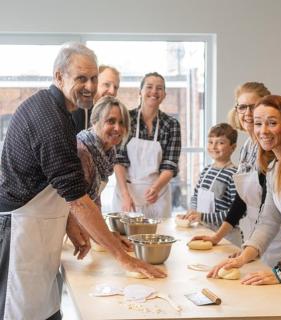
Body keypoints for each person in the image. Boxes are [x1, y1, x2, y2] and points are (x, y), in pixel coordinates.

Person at [0, 43, 165, 320]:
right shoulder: (49, 119)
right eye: (81, 78)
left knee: (46, 311)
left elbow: (59, 187)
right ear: (59, 77)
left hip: (39, 231)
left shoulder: (62, 113)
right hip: (19, 231)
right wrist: (122, 256)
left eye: (93, 78)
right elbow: (77, 198)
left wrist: (71, 226)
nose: (89, 86)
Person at [188, 82, 281, 266]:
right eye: (242, 107)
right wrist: (217, 237)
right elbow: (241, 200)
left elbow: (270, 212)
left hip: (277, 239)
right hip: (253, 235)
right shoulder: (248, 148)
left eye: (254, 106)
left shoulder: (271, 150)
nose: (247, 113)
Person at [208, 94, 281, 285]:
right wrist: (242, 257)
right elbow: (268, 220)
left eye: (272, 123)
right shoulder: (274, 167)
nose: (263, 131)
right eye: (258, 124)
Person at [113, 72, 181, 218]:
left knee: (157, 237)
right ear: (140, 92)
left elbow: (170, 165)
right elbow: (118, 160)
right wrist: (125, 195)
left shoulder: (171, 124)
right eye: (149, 87)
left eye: (159, 88)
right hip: (127, 192)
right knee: (124, 238)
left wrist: (155, 188)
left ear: (164, 95)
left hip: (158, 195)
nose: (154, 92)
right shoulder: (126, 119)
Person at [76, 95, 131, 250]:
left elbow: (95, 198)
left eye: (122, 123)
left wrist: (107, 234)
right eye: (110, 121)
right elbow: (79, 205)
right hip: (67, 226)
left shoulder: (108, 153)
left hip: (84, 226)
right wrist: (107, 240)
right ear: (95, 122)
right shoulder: (83, 151)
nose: (118, 128)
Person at [177, 123, 242, 246]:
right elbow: (196, 196)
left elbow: (236, 212)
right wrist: (192, 211)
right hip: (204, 229)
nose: (214, 146)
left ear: (233, 147)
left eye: (220, 143)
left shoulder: (234, 174)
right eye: (210, 142)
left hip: (227, 237)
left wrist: (203, 216)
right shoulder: (206, 170)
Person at [72, 65, 120, 134]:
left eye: (115, 87)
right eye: (106, 84)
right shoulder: (78, 111)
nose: (112, 91)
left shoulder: (113, 116)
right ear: (94, 84)